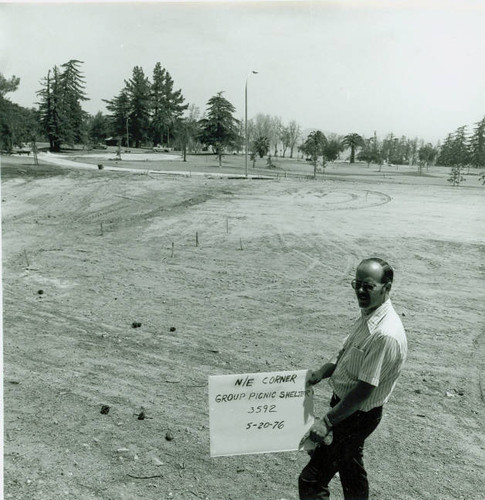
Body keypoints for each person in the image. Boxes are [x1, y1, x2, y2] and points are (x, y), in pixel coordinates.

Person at [299, 257, 407, 500]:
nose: (360, 291)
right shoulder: (369, 315)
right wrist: (322, 373)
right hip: (349, 410)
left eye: (368, 286)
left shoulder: (384, 334)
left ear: (386, 288)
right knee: (350, 470)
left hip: (356, 415)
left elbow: (364, 390)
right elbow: (346, 355)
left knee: (312, 479)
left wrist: (326, 422)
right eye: (356, 284)